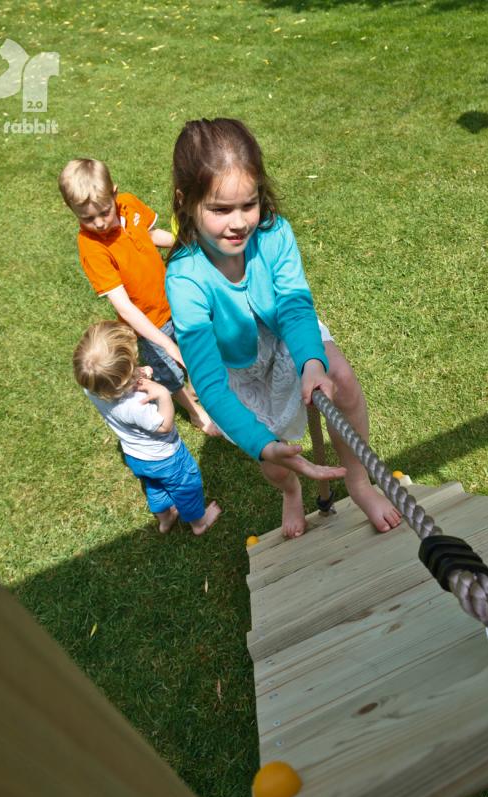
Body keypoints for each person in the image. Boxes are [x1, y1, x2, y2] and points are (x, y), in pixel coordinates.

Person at [165, 118, 402, 539]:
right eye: (220, 210)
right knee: (273, 455)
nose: (239, 222)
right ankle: (290, 492)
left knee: (341, 379)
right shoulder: (185, 280)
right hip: (239, 368)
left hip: (288, 334)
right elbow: (210, 384)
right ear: (186, 202)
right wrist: (261, 444)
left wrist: (312, 362)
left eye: (249, 204)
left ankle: (359, 482)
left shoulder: (274, 234)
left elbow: (294, 305)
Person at [58, 157, 218, 435]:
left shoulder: (129, 204)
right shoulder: (91, 247)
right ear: (70, 209)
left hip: (175, 300)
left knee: (195, 345)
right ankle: (195, 413)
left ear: (115, 194)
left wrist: (188, 243)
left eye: (104, 212)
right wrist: (165, 344)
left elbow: (151, 234)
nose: (99, 223)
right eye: (87, 218)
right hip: (148, 325)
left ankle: (199, 385)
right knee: (168, 372)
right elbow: (124, 307)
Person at [73, 321, 221, 535]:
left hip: (136, 456)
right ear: (123, 380)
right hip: (166, 457)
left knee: (156, 487)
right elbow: (164, 425)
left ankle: (165, 519)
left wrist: (137, 374)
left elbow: (115, 381)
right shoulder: (135, 405)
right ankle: (199, 523)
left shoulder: (93, 387)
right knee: (185, 486)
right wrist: (162, 394)